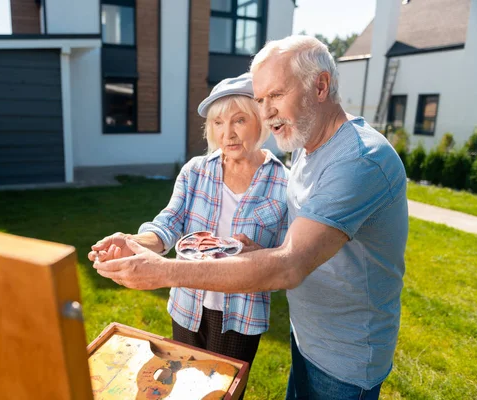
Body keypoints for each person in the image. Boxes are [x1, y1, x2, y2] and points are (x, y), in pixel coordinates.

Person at [93, 35, 409, 400]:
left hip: (345, 354)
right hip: (309, 337)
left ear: (320, 86)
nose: (267, 111)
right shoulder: (309, 149)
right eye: (261, 100)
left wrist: (161, 271)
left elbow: (289, 264)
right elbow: (296, 244)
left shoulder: (358, 161)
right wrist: (137, 243)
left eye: (275, 96)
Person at [89, 73, 290, 398]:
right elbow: (168, 225)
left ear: (260, 122)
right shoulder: (195, 171)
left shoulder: (283, 183)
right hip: (188, 305)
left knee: (223, 393)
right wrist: (131, 241)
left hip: (241, 314)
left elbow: (289, 261)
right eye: (219, 123)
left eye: (239, 120)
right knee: (183, 390)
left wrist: (258, 254)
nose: (228, 133)